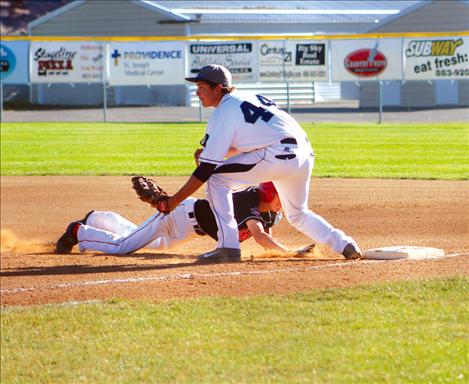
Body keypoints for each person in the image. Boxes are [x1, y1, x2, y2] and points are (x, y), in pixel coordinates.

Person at [153, 64, 362, 262]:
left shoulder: (223, 111)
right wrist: (215, 153)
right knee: (298, 213)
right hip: (304, 154)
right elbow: (254, 140)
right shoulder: (250, 98)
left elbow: (206, 169)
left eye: (201, 87)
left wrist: (172, 202)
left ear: (218, 88)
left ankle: (228, 246)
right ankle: (345, 244)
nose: (197, 92)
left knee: (216, 179)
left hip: (276, 154)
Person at [54, 182, 297, 257]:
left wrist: (279, 251)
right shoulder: (249, 201)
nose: (284, 202)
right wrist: (290, 253)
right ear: (270, 195)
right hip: (178, 215)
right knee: (123, 248)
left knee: (156, 245)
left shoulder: (268, 211)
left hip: (190, 229)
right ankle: (78, 232)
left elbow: (266, 232)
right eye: (281, 196)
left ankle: (99, 219)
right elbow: (259, 235)